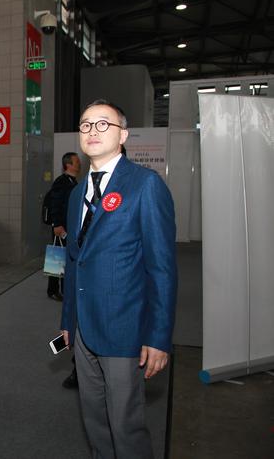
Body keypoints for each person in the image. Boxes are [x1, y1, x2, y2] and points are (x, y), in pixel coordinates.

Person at [60, 99, 177, 459]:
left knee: (126, 427)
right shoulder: (77, 193)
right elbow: (74, 261)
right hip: (84, 328)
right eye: (85, 125)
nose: (92, 131)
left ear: (123, 135)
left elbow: (162, 267)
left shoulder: (145, 185)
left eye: (103, 124)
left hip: (125, 327)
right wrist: (67, 320)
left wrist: (158, 336)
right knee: (95, 421)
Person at [46, 151, 80, 302]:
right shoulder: (61, 182)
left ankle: (65, 289)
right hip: (61, 227)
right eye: (76, 162)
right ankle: (53, 290)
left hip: (69, 227)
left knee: (64, 258)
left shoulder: (73, 182)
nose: (79, 164)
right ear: (68, 165)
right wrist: (57, 224)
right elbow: (55, 203)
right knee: (56, 259)